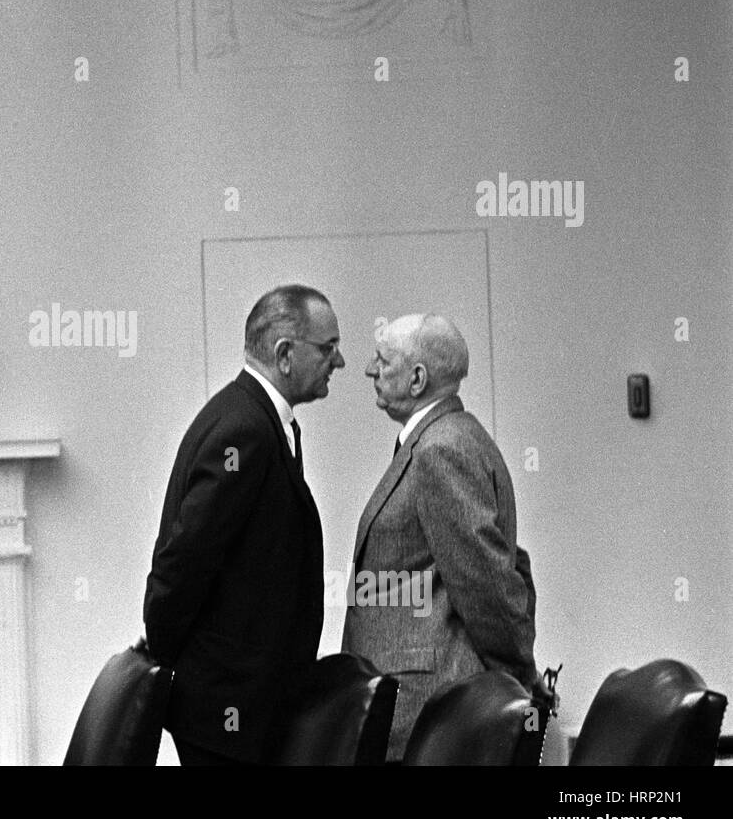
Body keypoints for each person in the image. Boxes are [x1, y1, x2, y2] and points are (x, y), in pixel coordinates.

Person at [143, 284, 344, 764]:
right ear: (284, 353)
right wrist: (175, 663)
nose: (339, 362)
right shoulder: (246, 430)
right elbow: (183, 561)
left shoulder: (249, 417)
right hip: (227, 719)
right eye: (328, 348)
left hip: (238, 710)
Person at [343, 313, 537, 760]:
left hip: (425, 710)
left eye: (381, 359)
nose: (369, 369)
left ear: (417, 379)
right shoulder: (449, 438)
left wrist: (517, 678)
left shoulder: (440, 449)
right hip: (420, 704)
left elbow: (485, 581)